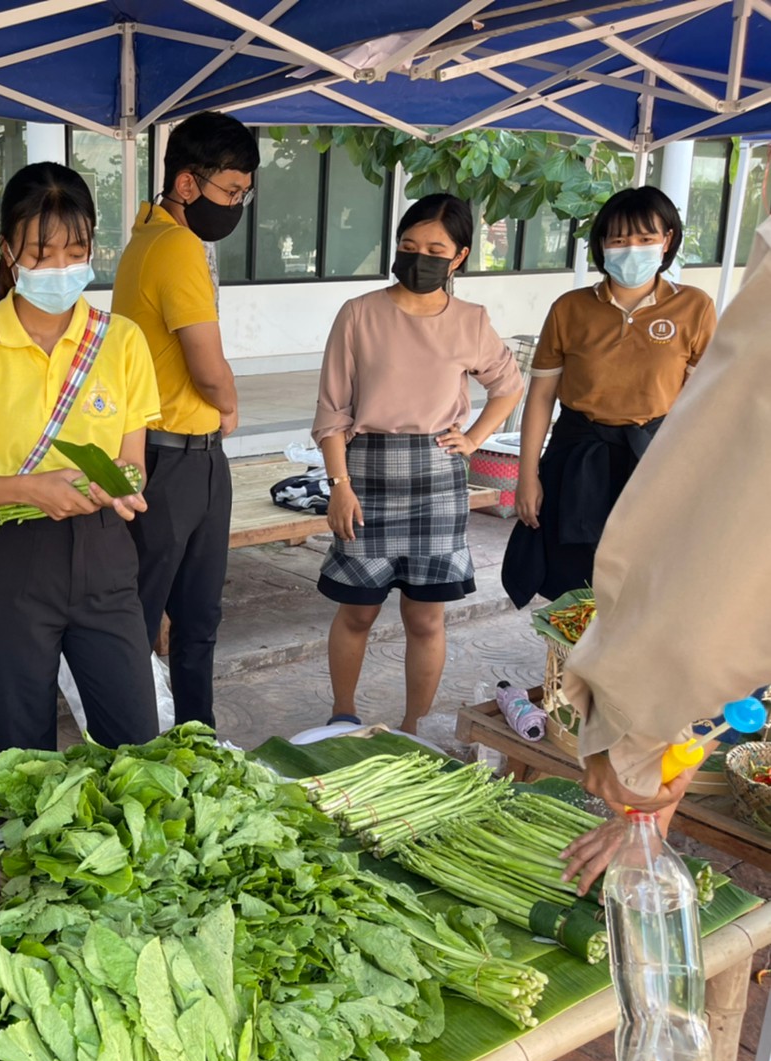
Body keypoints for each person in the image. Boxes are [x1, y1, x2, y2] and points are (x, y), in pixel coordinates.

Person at [0, 163, 160, 766]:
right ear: (8, 252)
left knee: (139, 751)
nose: (61, 268)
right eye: (42, 254)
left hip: (105, 556)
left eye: (76, 251)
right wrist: (30, 487)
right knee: (21, 762)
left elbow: (134, 465)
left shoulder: (121, 340)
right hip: (15, 562)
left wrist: (111, 488)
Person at [555, 210, 771, 892]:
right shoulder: (576, 310)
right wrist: (650, 791)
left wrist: (636, 745)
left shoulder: (699, 311)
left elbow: (725, 546)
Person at [314, 194, 523, 734]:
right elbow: (333, 410)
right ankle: (342, 716)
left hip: (438, 475)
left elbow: (508, 385)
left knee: (425, 616)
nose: (419, 256)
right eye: (409, 245)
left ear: (459, 257)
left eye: (435, 248)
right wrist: (339, 483)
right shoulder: (359, 313)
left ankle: (415, 727)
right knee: (357, 609)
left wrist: (473, 438)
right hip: (366, 472)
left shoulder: (471, 322)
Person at [111, 110, 258, 728]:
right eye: (230, 191)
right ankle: (158, 740)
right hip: (174, 459)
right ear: (188, 184)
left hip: (184, 459)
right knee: (176, 621)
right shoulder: (174, 245)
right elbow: (207, 364)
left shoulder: (145, 235)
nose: (236, 205)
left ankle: (174, 740)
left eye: (245, 195)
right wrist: (228, 404)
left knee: (167, 617)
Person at [503, 186, 717, 607]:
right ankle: (567, 671)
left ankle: (625, 672)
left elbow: (702, 405)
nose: (631, 249)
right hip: (577, 454)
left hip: (654, 457)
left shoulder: (694, 306)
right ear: (602, 245)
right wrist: (527, 477)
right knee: (573, 581)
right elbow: (541, 397)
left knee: (645, 581)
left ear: (667, 240)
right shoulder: (571, 308)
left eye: (644, 238)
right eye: (618, 240)